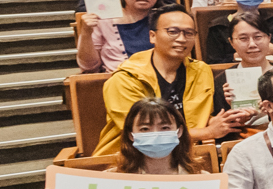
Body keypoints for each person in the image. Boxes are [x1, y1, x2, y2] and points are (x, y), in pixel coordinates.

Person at [96, 9, 250, 153]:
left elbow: (195, 116)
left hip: (187, 152)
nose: (182, 39)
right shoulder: (125, 78)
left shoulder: (201, 71)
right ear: (152, 36)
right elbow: (144, 135)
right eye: (173, 32)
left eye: (189, 33)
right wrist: (207, 132)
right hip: (131, 156)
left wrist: (222, 120)